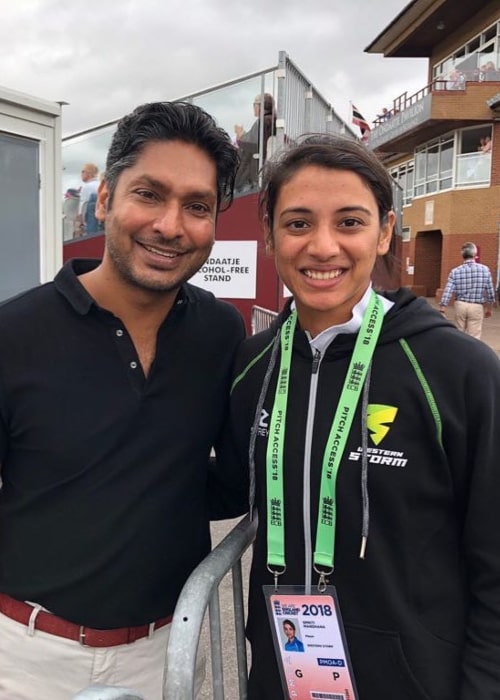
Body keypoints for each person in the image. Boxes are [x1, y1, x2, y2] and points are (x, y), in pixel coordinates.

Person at [229, 135, 500, 699]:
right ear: (270, 236)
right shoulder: (252, 366)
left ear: (383, 233)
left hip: (415, 681)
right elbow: (226, 485)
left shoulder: (460, 371)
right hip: (284, 674)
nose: (322, 246)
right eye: (298, 223)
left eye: (349, 222)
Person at [0, 101, 248, 700]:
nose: (170, 225)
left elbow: (234, 478)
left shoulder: (221, 335)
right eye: (150, 194)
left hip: (163, 654)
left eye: (197, 206)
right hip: (23, 655)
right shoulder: (14, 334)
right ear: (106, 199)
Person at [439, 241, 495, 339]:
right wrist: (489, 308)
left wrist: (443, 307)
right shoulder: (485, 270)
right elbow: (490, 291)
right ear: (474, 254)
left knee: (459, 334)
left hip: (460, 305)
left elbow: (448, 290)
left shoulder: (455, 271)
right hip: (476, 306)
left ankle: (459, 351)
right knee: (474, 336)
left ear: (462, 255)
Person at [234, 93, 276, 193]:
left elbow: (251, 144)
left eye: (254, 104)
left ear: (261, 106)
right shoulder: (272, 120)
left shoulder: (262, 122)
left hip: (253, 174)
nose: (253, 107)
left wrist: (240, 135)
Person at [75, 163, 100, 236]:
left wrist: (80, 220)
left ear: (89, 173)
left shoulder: (87, 187)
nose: (81, 174)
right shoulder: (101, 184)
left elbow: (83, 205)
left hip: (91, 223)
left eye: (83, 171)